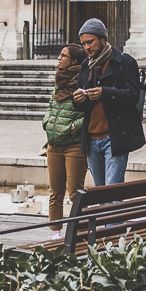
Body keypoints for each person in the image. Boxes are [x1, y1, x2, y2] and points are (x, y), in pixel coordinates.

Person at [73, 18, 146, 186]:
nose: (86, 48)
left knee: (112, 193)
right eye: (83, 44)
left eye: (90, 42)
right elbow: (82, 106)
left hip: (114, 136)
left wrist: (104, 93)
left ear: (103, 38)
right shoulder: (86, 65)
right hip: (91, 138)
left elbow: (132, 95)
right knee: (99, 191)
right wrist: (78, 99)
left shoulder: (124, 62)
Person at [42, 42, 87, 237]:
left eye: (63, 56)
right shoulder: (59, 81)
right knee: (55, 192)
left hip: (74, 146)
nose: (59, 59)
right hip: (53, 144)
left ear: (74, 61)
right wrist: (47, 121)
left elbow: (90, 114)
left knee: (75, 193)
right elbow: (52, 105)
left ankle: (78, 230)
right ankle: (55, 233)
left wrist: (71, 128)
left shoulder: (84, 81)